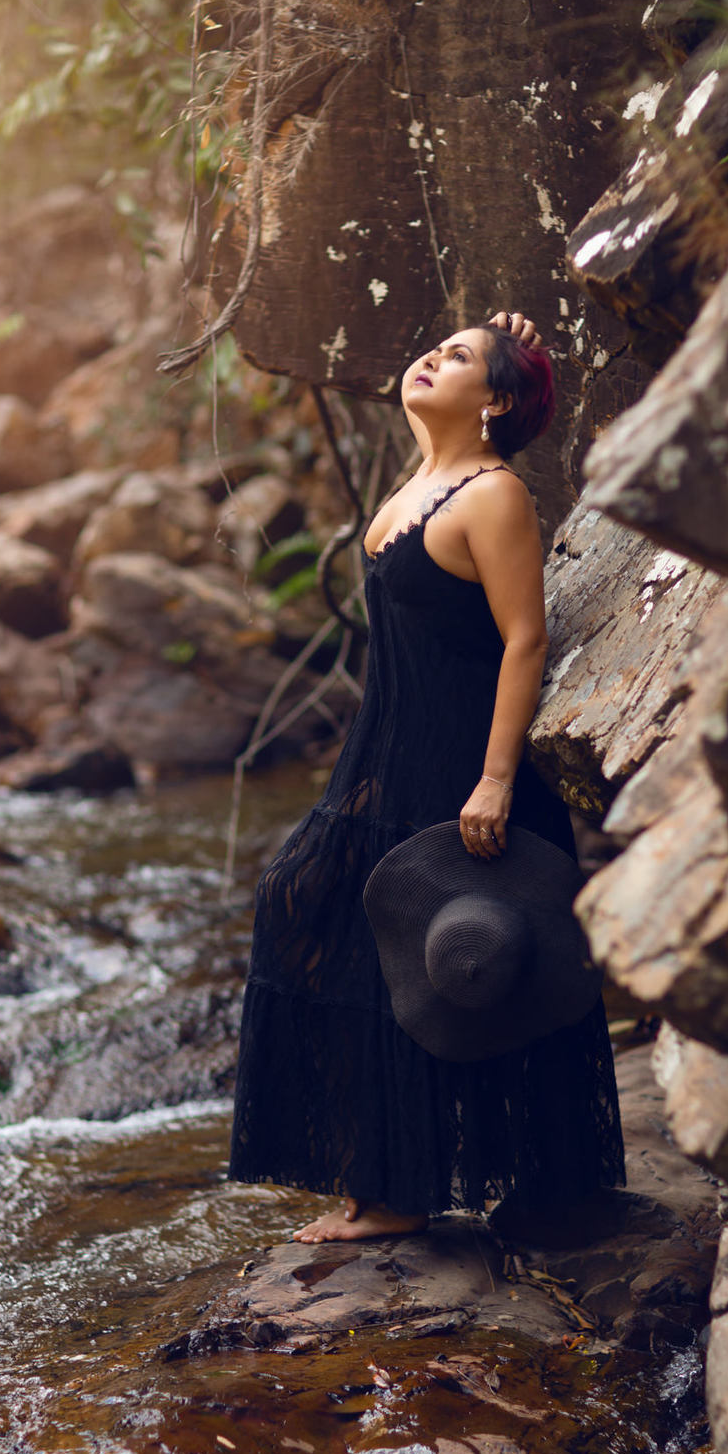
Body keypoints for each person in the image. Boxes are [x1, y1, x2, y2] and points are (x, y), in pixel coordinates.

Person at [228, 310, 623, 1242]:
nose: (427, 359)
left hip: (459, 763)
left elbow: (524, 638)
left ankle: (397, 1197)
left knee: (422, 965)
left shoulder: (493, 496)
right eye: (431, 347)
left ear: (492, 403)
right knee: (307, 907)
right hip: (387, 751)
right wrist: (496, 331)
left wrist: (493, 780)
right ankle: (379, 1181)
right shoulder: (426, 481)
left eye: (455, 358)